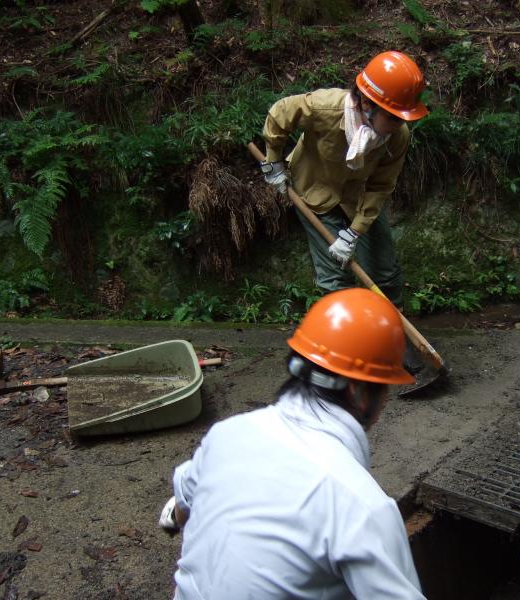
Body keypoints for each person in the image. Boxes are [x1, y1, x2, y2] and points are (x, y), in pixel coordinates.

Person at [159, 287, 425, 599]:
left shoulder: (226, 434)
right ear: (357, 391)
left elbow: (183, 497)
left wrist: (180, 517)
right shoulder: (362, 505)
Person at [259, 50, 428, 326]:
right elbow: (280, 114)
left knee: (385, 273)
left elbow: (381, 186)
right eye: (394, 117)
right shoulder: (326, 108)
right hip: (314, 191)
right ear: (366, 103)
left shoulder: (397, 137)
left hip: (360, 201)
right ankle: (349, 341)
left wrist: (354, 232)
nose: (400, 125)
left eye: (403, 118)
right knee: (335, 278)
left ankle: (391, 334)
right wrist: (273, 160)